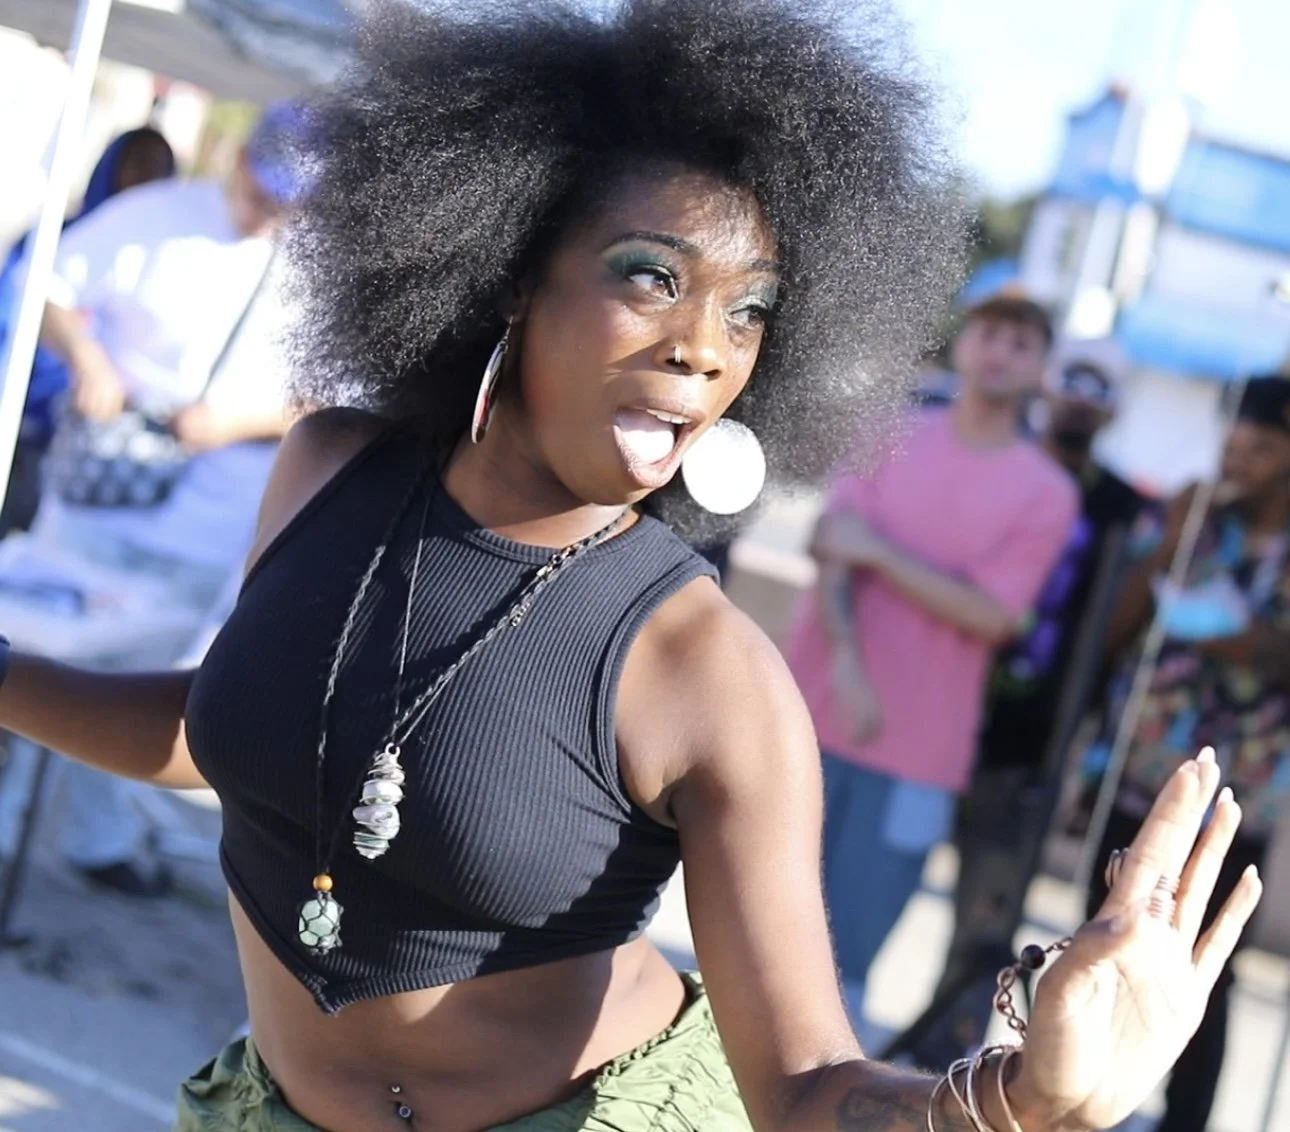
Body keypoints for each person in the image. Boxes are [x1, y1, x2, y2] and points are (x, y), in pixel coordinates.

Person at [0, 3, 1263, 1129]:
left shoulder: (705, 672)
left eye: (750, 308)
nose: (706, 349)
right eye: (650, 276)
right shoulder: (331, 467)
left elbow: (809, 1089)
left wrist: (1020, 1101)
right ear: (507, 270)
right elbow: (230, 721)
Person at [0, 105, 301, 896]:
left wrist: (240, 422)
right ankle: (22, 827)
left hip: (210, 521)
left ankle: (89, 834)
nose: (270, 212)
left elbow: (342, 404)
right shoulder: (159, 217)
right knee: (52, 663)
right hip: (105, 491)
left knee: (141, 684)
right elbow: (47, 281)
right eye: (265, 191)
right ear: (240, 162)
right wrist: (91, 360)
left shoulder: (327, 266)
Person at [785, 293, 1079, 1031]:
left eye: (1021, 342)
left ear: (1041, 368)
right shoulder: (887, 430)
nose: (1000, 351)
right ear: (963, 342)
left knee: (843, 967)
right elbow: (830, 543)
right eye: (989, 332)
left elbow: (994, 614)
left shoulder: (1047, 492)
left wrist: (881, 551)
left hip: (919, 754)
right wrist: (847, 661)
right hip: (805, 719)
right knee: (757, 932)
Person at [910, 338, 1147, 1064]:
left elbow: (1118, 633)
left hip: (1031, 746)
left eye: (1098, 387)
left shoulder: (1120, 508)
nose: (1081, 397)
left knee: (988, 916)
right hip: (934, 719)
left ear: (1114, 408)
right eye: (1072, 380)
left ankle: (945, 1061)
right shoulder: (1000, 465)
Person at [1085, 373, 1290, 1132]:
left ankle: (1185, 1121)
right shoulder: (1198, 518)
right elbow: (1115, 631)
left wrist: (1248, 642)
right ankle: (1079, 1097)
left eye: (1262, 448)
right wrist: (1170, 541)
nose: (1241, 460)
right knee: (1103, 937)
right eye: (1234, 443)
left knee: (1205, 967)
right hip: (1145, 773)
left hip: (1239, 798)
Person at [0, 126, 176, 535]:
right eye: (138, 165)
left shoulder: (158, 264)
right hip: (20, 415)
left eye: (157, 170)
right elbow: (14, 312)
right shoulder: (52, 242)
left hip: (87, 446)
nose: (143, 180)